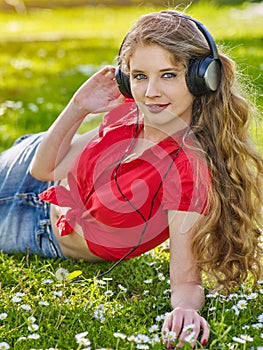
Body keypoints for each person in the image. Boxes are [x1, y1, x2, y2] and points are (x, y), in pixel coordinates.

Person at [0, 9, 262, 348]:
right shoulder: (130, 110)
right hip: (32, 164)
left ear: (202, 78)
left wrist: (185, 310)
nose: (150, 91)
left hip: (38, 229)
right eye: (139, 76)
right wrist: (79, 106)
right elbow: (45, 169)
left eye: (168, 75)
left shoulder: (187, 171)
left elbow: (186, 282)